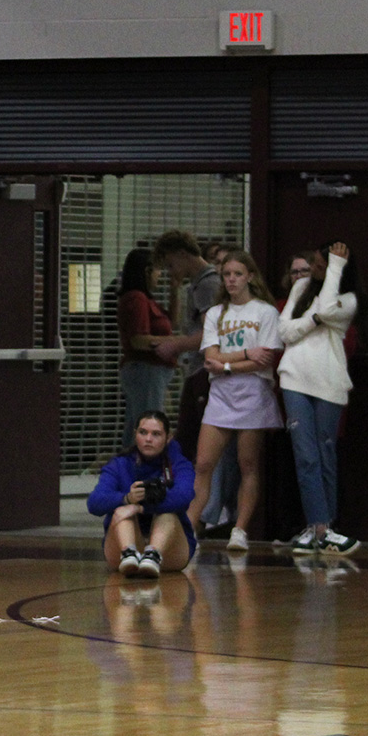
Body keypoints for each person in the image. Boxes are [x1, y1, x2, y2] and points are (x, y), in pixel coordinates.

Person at [186, 251, 283, 552]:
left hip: (253, 392)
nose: (231, 280)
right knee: (203, 463)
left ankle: (240, 529)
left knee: (247, 463)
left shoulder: (265, 312)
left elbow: (263, 358)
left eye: (237, 274)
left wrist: (228, 365)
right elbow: (210, 357)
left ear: (250, 276)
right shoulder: (216, 313)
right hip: (221, 396)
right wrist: (243, 354)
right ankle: (190, 524)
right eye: (227, 274)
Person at [279, 242, 361, 555]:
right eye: (312, 263)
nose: (312, 269)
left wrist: (336, 268)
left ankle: (326, 526)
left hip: (329, 384)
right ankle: (318, 527)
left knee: (325, 454)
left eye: (319, 264)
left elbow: (327, 309)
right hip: (294, 380)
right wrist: (312, 320)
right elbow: (285, 332)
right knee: (305, 455)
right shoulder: (300, 288)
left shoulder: (349, 299)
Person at [87, 410, 196, 578]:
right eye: (143, 432)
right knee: (121, 513)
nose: (148, 439)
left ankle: (153, 554)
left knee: (167, 514)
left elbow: (184, 497)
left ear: (168, 438)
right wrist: (127, 499)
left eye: (156, 434)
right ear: (135, 434)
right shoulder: (119, 464)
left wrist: (141, 508)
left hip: (170, 549)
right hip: (123, 544)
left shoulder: (179, 464)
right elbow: (94, 503)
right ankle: (129, 554)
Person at [151, 231, 223, 461]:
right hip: (196, 369)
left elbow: (210, 335)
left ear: (182, 254)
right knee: (186, 436)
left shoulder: (207, 285)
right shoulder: (196, 285)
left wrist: (176, 345)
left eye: (171, 265)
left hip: (204, 371)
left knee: (191, 438)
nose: (171, 272)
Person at [114, 247, 176, 447]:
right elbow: (138, 339)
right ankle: (142, 469)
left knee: (137, 421)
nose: (160, 275)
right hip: (145, 370)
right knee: (149, 423)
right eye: (158, 270)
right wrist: (173, 344)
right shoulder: (136, 298)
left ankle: (132, 468)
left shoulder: (148, 300)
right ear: (146, 271)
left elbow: (171, 323)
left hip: (151, 371)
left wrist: (175, 289)